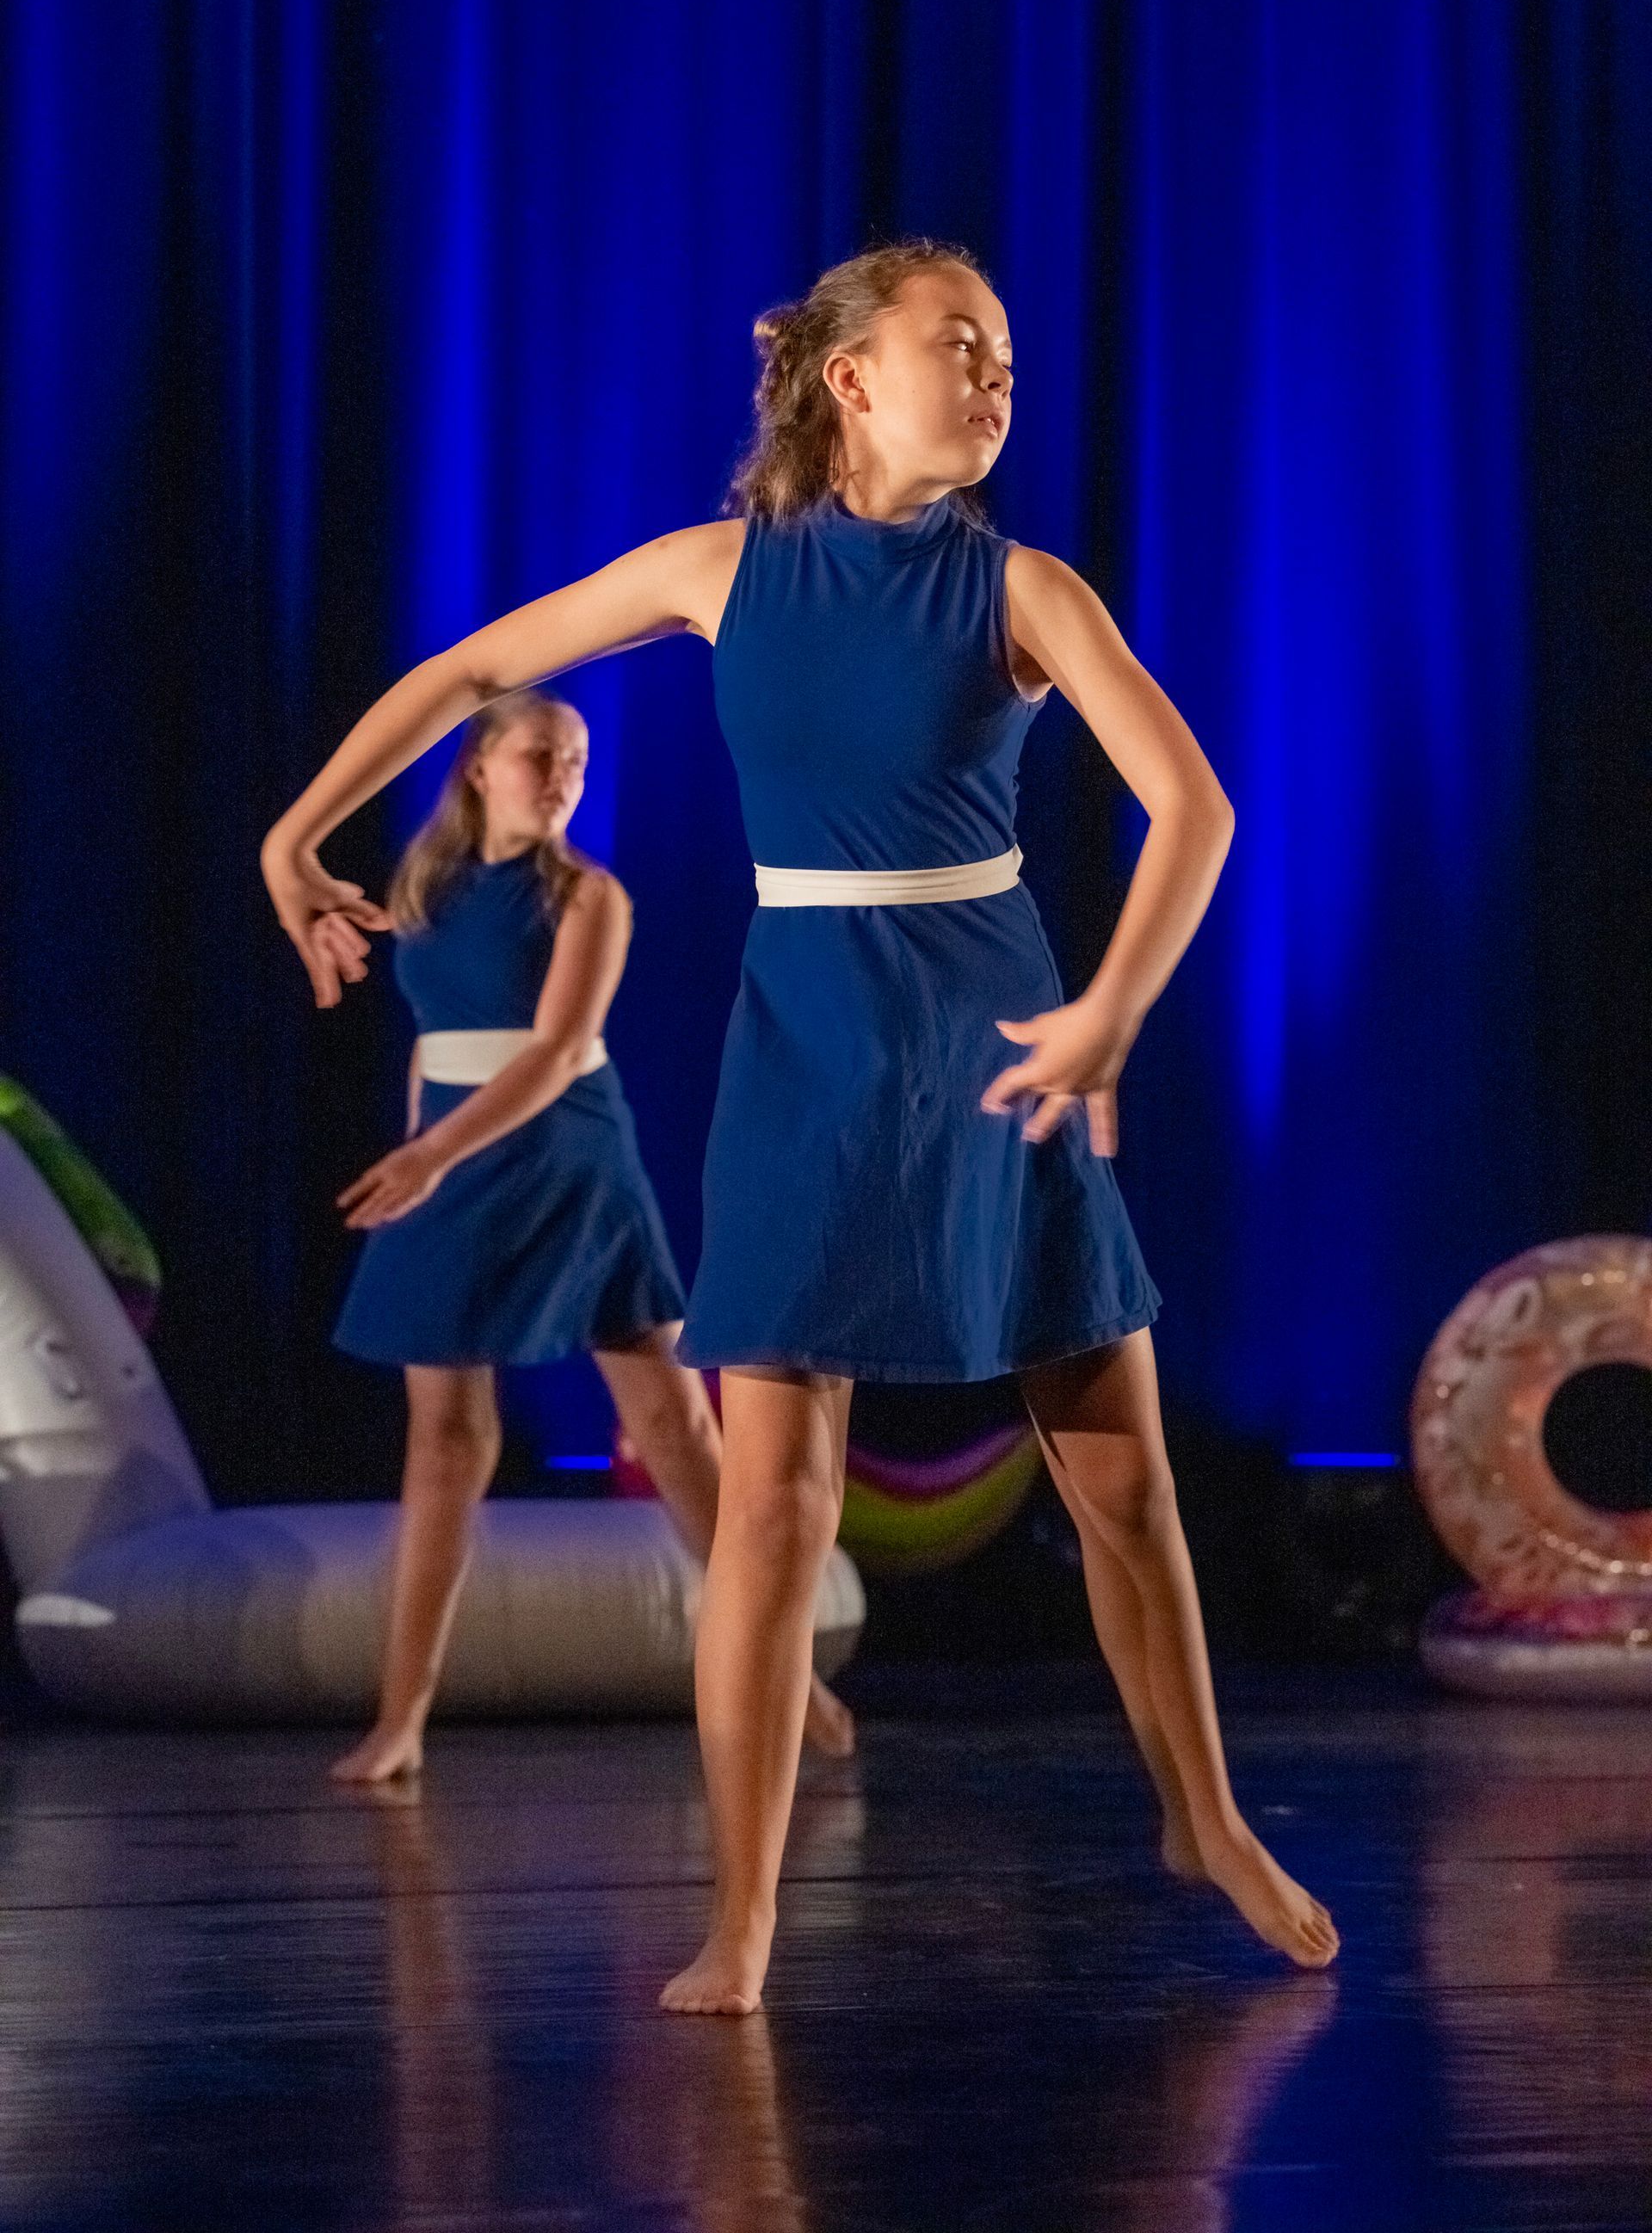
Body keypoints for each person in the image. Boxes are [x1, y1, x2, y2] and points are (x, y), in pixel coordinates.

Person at [262, 237, 1338, 2002]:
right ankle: (745, 1917)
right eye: (959, 344)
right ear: (850, 377)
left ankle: (1203, 1818)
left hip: (996, 1040)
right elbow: (465, 675)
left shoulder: (1024, 590)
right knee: (768, 1504)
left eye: (1005, 356)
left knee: (1123, 1479)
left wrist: (1110, 1010)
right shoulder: (718, 571)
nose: (994, 376)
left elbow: (1195, 807)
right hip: (808, 1053)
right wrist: (296, 830)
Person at [321, 688, 854, 1783]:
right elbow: (434, 1039)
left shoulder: (589, 896)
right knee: (444, 1440)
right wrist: (423, 1148)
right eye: (541, 754)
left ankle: (791, 1681)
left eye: (576, 758)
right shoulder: (423, 889)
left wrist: (431, 1154)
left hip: (565, 1153)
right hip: (450, 1155)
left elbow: (559, 1051)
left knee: (671, 1424)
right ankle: (401, 1719)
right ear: (479, 766)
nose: (563, 774)